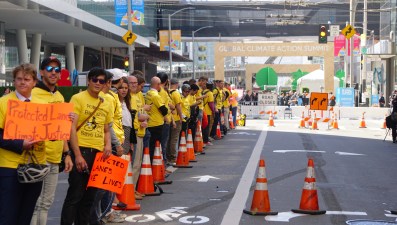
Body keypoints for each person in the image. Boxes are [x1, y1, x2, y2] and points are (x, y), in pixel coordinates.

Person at [0, 63, 73, 225]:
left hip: (36, 165)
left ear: (34, 82)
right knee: (8, 214)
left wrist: (64, 124)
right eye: (19, 79)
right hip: (10, 166)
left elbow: (52, 135)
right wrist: (20, 144)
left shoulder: (42, 104)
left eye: (27, 79)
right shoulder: (3, 103)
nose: (22, 82)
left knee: (27, 213)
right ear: (14, 81)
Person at [61, 67, 113, 225]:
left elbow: (106, 129)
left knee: (90, 197)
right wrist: (77, 155)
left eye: (101, 81)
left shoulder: (105, 103)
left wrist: (108, 145)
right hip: (82, 150)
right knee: (75, 196)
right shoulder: (78, 98)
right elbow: (71, 127)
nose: (98, 83)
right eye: (95, 80)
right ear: (89, 81)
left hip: (99, 155)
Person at [30, 57, 74, 225]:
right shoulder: (32, 94)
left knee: (46, 204)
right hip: (35, 157)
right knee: (35, 204)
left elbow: (62, 129)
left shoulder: (60, 96)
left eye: (57, 70)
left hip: (55, 158)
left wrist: (67, 153)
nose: (53, 72)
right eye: (49, 69)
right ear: (41, 72)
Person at [129, 72, 149, 200]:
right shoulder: (129, 98)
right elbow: (137, 115)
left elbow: (140, 113)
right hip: (134, 133)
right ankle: (131, 190)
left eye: (136, 83)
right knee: (134, 164)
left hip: (140, 132)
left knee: (137, 163)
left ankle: (133, 189)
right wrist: (145, 116)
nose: (134, 85)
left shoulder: (137, 96)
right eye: (131, 83)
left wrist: (144, 117)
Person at [145, 76, 168, 162]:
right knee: (156, 147)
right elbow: (164, 111)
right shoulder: (156, 96)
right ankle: (155, 166)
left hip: (149, 122)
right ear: (158, 85)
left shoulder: (148, 93)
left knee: (150, 146)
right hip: (157, 124)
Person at [167, 78, 183, 165]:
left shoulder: (168, 92)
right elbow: (178, 107)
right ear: (176, 84)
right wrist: (181, 117)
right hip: (175, 119)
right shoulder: (176, 93)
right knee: (174, 138)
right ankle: (173, 157)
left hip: (169, 118)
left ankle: (168, 156)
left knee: (169, 139)